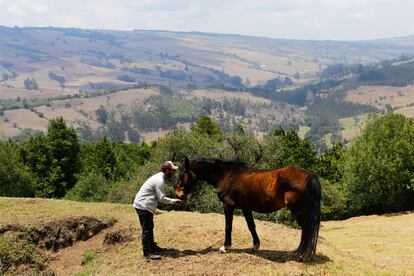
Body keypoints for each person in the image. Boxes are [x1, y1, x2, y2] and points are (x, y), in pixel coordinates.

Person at [133, 160, 184, 260]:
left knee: (149, 227)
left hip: (144, 205)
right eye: (172, 170)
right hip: (143, 206)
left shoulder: (160, 177)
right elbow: (161, 199)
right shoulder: (159, 180)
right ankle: (147, 253)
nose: (173, 173)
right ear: (167, 170)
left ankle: (152, 247)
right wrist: (174, 201)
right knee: (146, 230)